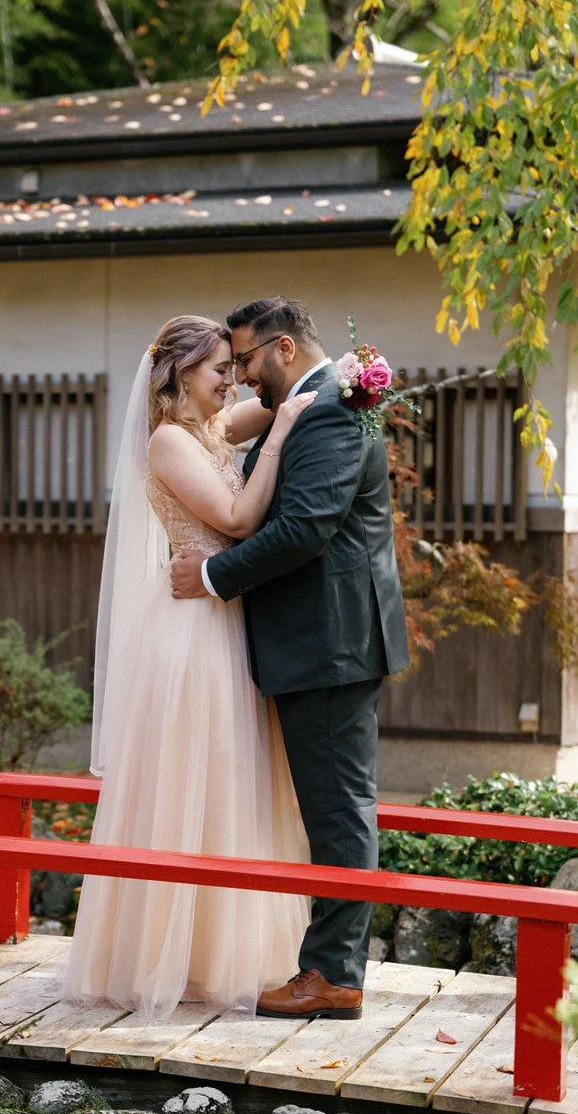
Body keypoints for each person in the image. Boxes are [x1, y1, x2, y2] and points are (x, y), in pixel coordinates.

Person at [64, 314, 314, 1013]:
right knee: (188, 789)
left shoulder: (210, 429)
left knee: (230, 789)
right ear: (177, 375)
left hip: (225, 621)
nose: (231, 381)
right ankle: (162, 959)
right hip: (190, 633)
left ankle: (218, 955)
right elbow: (234, 518)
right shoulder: (169, 441)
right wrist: (283, 434)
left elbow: (271, 400)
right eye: (217, 370)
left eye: (233, 368)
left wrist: (343, 378)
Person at [169, 295, 409, 1019]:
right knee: (333, 807)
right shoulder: (314, 401)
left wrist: (211, 577)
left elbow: (305, 527)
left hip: (330, 642)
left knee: (338, 811)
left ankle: (333, 975)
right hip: (320, 641)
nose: (240, 377)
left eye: (243, 359)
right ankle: (329, 967)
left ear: (280, 349)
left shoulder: (330, 408)